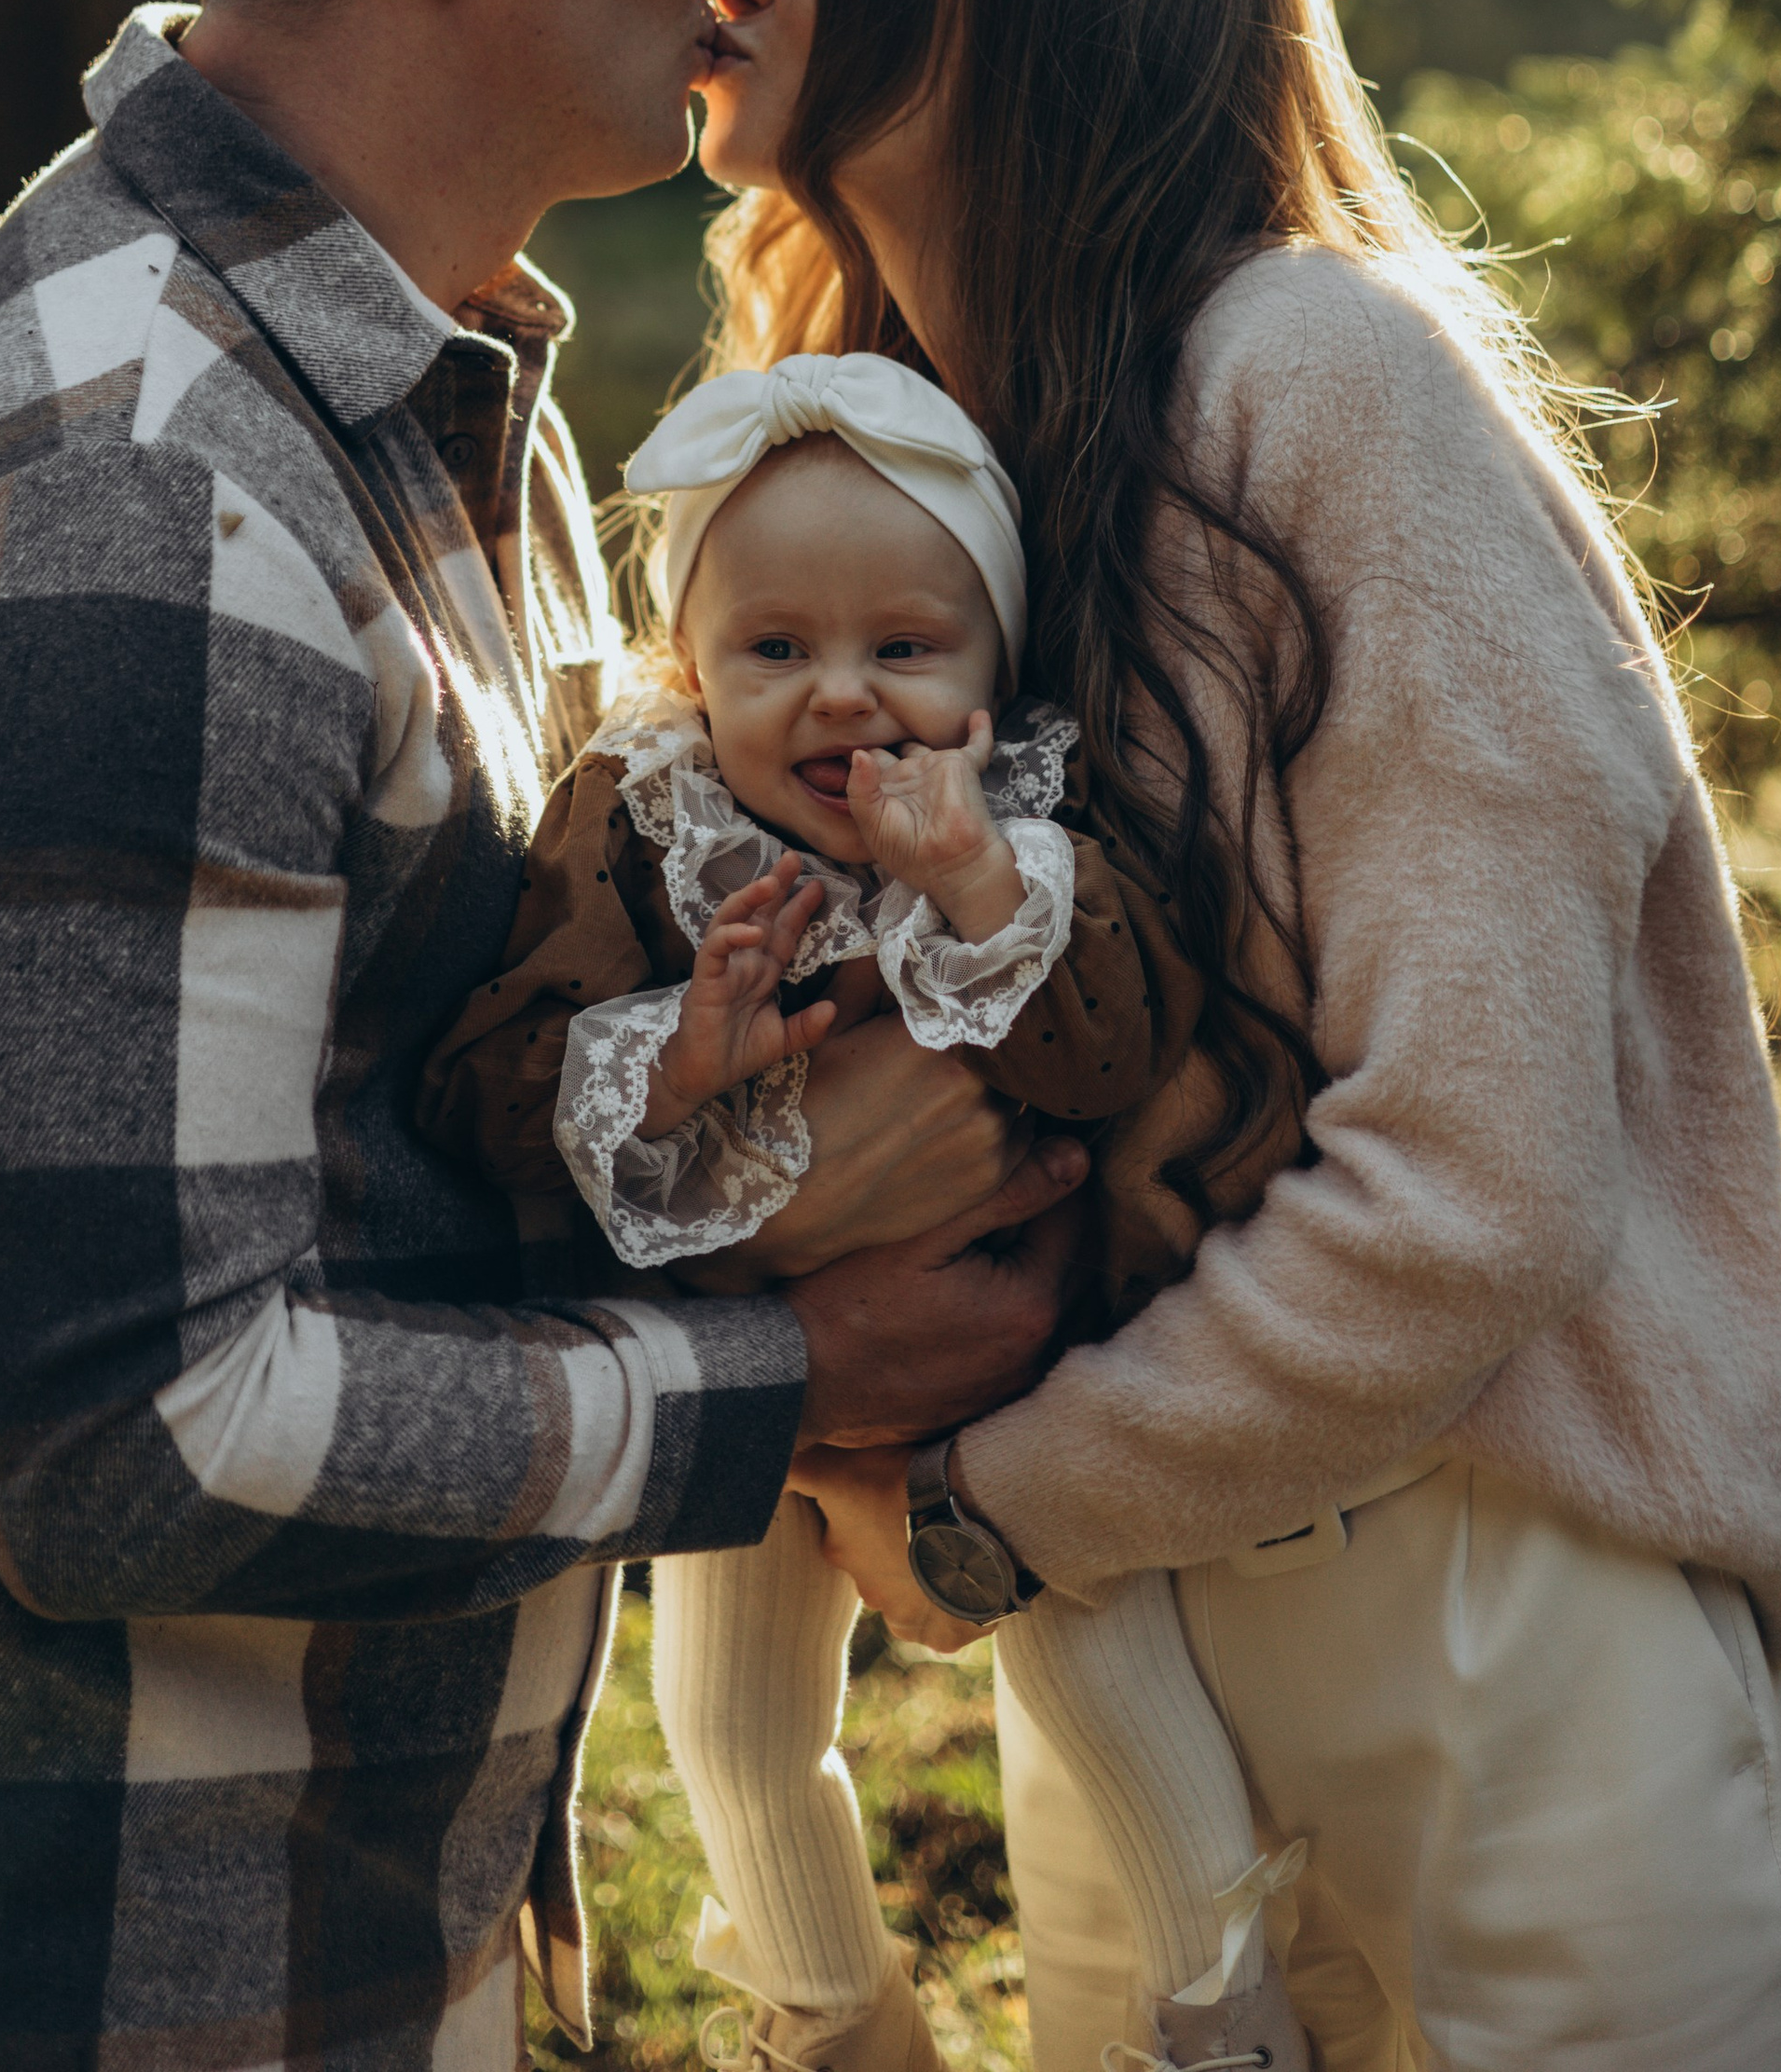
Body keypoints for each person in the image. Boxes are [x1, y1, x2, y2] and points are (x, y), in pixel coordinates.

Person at [0, 0, 1082, 2072]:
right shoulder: (144, 500)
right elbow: (119, 1441)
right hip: (33, 1971)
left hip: (289, 1910)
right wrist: (783, 1373)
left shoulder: (417, 393)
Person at [693, 0, 1781, 2072]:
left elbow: (1477, 1180)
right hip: (1140, 1652)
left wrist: (1006, 1503)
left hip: (1489, 1630)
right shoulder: (916, 482)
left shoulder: (1320, 385)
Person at [416, 350, 1312, 2072]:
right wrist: (673, 1061)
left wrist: (973, 885)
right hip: (751, 1376)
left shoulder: (1027, 817)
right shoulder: (644, 821)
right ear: (692, 660)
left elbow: (1121, 1040)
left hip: (1018, 1402)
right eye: (777, 650)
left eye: (904, 649)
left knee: (1112, 1689)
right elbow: (491, 1091)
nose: (842, 700)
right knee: (731, 1727)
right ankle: (828, 2019)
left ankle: (1225, 2003)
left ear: (993, 663)